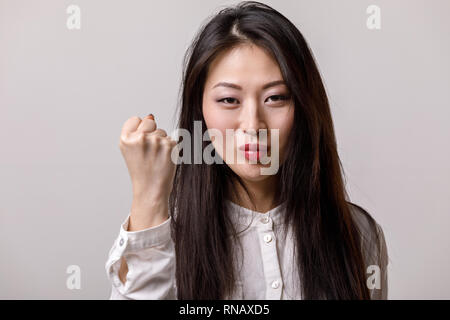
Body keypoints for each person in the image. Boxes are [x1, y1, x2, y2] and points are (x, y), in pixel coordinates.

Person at [105, 1, 389, 300]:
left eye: (276, 97)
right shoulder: (162, 238)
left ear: (304, 107)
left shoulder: (357, 233)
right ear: (199, 109)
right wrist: (148, 196)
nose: (253, 125)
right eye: (229, 100)